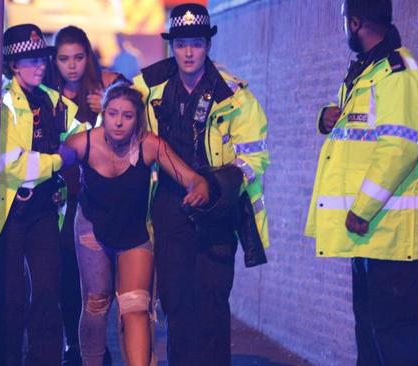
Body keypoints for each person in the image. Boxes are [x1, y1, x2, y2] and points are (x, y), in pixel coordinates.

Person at [132, 4, 270, 365]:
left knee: (211, 302)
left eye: (196, 43)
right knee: (175, 302)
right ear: (172, 47)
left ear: (208, 45)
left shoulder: (234, 96)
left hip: (217, 209)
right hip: (169, 206)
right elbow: (119, 114)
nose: (188, 52)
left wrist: (215, 186)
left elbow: (254, 160)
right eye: (181, 44)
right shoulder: (149, 87)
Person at [305, 1, 418, 365]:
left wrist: (361, 209)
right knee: (370, 335)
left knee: (396, 338)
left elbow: (398, 150)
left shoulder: (398, 74)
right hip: (372, 236)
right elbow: (357, 131)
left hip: (392, 236)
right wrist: (326, 117)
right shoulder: (369, 71)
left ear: (355, 22)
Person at [0, 23, 83, 366]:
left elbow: (84, 135)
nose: (40, 65)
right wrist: (58, 159)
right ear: (13, 65)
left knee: (47, 295)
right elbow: (8, 165)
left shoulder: (54, 100)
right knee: (10, 301)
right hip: (8, 213)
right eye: (30, 59)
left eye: (41, 57)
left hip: (44, 211)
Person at [60, 83, 209, 366]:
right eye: (113, 113)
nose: (118, 121)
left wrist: (199, 186)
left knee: (136, 306)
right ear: (104, 113)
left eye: (127, 116)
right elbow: (52, 162)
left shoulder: (149, 144)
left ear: (137, 118)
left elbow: (189, 177)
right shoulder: (84, 143)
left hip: (132, 232)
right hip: (92, 227)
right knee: (97, 302)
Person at [45, 25, 128, 366]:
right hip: (64, 197)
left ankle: (97, 347)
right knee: (67, 273)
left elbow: (133, 124)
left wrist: (106, 103)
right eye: (64, 58)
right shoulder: (47, 94)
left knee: (104, 282)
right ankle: (74, 345)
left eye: (78, 57)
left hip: (106, 195)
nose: (72, 66)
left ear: (88, 57)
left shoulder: (108, 85)